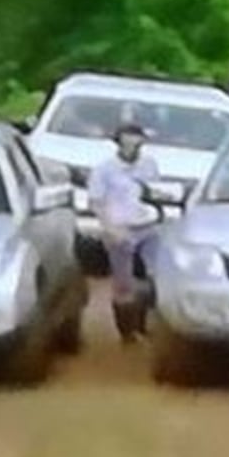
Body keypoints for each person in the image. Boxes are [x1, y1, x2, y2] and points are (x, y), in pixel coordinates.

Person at [87, 123, 164, 343]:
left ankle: (143, 323)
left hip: (147, 227)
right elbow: (96, 201)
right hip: (119, 228)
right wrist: (110, 228)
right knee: (123, 284)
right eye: (127, 139)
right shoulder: (104, 169)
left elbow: (155, 194)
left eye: (136, 139)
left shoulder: (149, 165)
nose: (132, 144)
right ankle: (126, 333)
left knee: (154, 277)